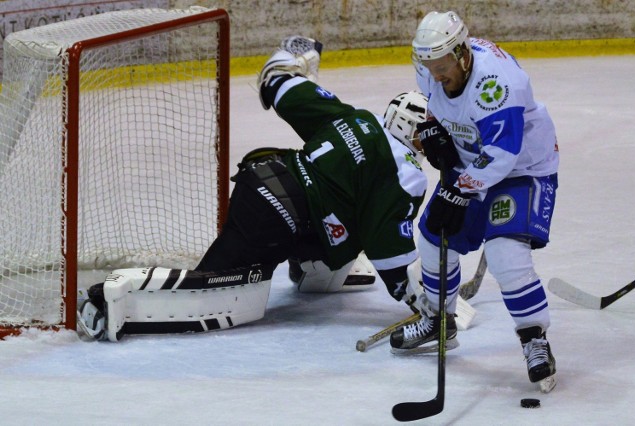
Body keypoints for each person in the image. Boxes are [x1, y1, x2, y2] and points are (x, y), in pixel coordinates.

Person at [78, 36, 429, 342]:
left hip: (266, 179)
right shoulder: (406, 173)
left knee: (341, 215)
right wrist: (423, 302)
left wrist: (300, 55)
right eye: (424, 132)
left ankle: (313, 270)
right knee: (216, 289)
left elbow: (276, 81)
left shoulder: (354, 118)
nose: (428, 142)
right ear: (410, 126)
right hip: (279, 216)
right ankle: (108, 301)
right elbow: (388, 245)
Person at [389, 11, 559, 391]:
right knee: (433, 241)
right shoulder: (432, 65)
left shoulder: (496, 86)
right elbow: (435, 102)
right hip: (474, 162)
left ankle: (534, 338)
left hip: (522, 168)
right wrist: (433, 128)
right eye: (428, 66)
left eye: (442, 66)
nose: (435, 74)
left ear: (463, 54)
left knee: (504, 252)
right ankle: (440, 322)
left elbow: (503, 153)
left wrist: (460, 187)